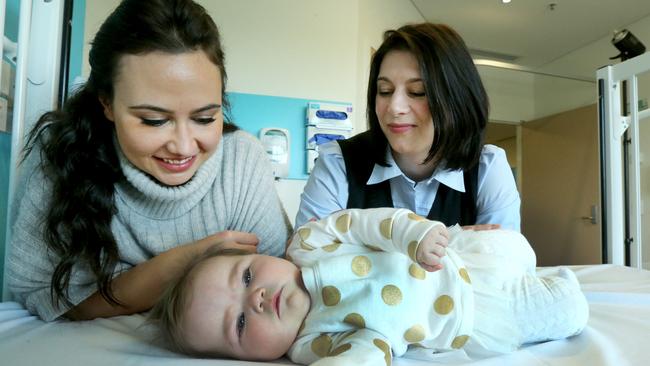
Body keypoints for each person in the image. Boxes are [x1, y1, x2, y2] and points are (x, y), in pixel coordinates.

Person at [6, 0, 290, 322]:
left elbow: (281, 289)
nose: (183, 147)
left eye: (205, 118)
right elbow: (39, 292)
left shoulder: (241, 162)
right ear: (107, 105)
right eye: (154, 120)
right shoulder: (63, 155)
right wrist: (180, 264)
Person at [151, 208, 588, 365]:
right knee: (568, 310)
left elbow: (365, 223)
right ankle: (552, 283)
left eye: (246, 277)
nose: (257, 298)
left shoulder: (307, 243)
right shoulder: (311, 344)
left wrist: (409, 235)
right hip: (472, 312)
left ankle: (530, 265)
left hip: (447, 252)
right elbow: (370, 352)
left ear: (261, 254)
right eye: (241, 323)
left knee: (516, 247)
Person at [296, 23, 520, 232]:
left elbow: (501, 267)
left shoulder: (488, 167)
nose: (394, 107)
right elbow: (308, 255)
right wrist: (457, 244)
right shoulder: (338, 161)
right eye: (384, 90)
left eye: (417, 92)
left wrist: (355, 247)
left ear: (457, 98)